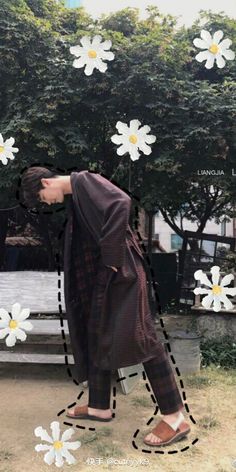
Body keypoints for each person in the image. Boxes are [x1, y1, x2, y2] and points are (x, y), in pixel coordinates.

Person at [21, 166, 191, 447]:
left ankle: (175, 417)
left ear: (46, 182)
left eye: (42, 196)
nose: (46, 203)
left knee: (142, 339)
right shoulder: (77, 194)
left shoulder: (86, 181)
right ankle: (99, 406)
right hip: (102, 280)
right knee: (95, 333)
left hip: (120, 277)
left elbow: (121, 202)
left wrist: (112, 259)